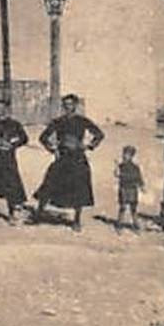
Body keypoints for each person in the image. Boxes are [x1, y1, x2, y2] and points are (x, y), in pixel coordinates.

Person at [32, 94, 105, 231]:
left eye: (70, 104)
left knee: (79, 187)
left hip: (78, 157)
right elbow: (43, 138)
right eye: (65, 105)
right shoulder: (58, 121)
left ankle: (76, 220)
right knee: (49, 183)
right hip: (62, 157)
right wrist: (52, 149)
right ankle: (39, 214)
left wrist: (88, 146)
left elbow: (99, 135)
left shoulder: (82, 121)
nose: (67, 107)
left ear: (75, 106)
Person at [0, 99, 30, 219]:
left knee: (10, 186)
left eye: (1, 107)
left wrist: (11, 144)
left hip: (7, 159)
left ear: (6, 109)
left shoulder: (14, 124)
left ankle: (11, 213)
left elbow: (24, 138)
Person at [114, 145, 145, 231]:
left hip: (132, 189)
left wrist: (142, 186)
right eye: (124, 154)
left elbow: (139, 177)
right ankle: (119, 224)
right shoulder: (121, 166)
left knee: (133, 208)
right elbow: (116, 174)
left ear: (132, 156)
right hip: (123, 189)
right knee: (122, 207)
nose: (124, 156)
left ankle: (135, 224)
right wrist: (116, 165)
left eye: (127, 154)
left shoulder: (135, 167)